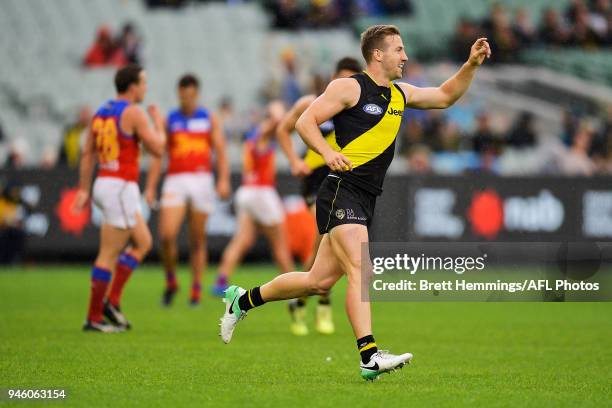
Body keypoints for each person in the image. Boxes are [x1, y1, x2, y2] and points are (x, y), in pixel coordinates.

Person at [219, 24, 490, 380]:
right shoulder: (349, 87)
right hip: (340, 190)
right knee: (362, 270)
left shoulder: (400, 94)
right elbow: (304, 121)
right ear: (378, 54)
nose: (405, 56)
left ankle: (242, 300)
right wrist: (328, 152)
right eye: (398, 49)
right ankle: (369, 356)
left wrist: (470, 64)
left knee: (317, 282)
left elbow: (444, 96)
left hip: (364, 197)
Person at [74, 64, 166, 332]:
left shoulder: (101, 111)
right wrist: (158, 121)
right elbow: (158, 147)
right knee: (108, 255)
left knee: (143, 242)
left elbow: (88, 152)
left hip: (105, 182)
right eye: (144, 82)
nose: (146, 88)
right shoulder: (134, 112)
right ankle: (93, 317)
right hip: (120, 188)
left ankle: (110, 302)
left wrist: (83, 189)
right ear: (133, 86)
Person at [275, 57, 362, 336]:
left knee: (324, 251)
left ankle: (301, 301)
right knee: (323, 240)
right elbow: (283, 130)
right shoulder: (312, 103)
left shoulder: (358, 108)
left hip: (343, 179)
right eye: (343, 78)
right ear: (333, 78)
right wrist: (293, 160)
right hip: (315, 178)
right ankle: (320, 304)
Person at [145, 74, 231, 307]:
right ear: (179, 94)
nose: (188, 100)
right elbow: (158, 156)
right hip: (176, 179)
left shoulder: (208, 118)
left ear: (197, 94)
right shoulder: (170, 119)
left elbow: (221, 150)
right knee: (166, 235)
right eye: (184, 96)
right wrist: (151, 186)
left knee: (197, 239)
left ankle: (195, 289)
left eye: (191, 95)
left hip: (202, 179)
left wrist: (223, 179)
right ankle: (171, 280)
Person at [211, 102, 294, 301]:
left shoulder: (253, 136)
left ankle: (221, 281)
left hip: (247, 192)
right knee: (280, 243)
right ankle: (294, 290)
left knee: (242, 240)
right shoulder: (263, 133)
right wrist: (277, 111)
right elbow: (275, 123)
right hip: (261, 193)